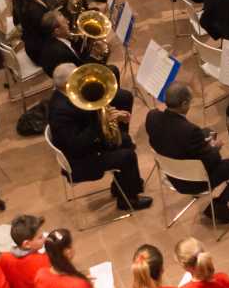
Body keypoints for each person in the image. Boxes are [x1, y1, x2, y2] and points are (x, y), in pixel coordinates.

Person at [145, 83, 229, 224]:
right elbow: (214, 161)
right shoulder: (189, 131)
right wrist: (214, 148)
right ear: (184, 103)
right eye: (190, 102)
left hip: (171, 175)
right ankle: (219, 206)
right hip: (194, 182)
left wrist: (203, 145)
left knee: (206, 131)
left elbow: (167, 140)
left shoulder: (152, 116)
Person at [47, 63, 151, 210]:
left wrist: (112, 116)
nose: (82, 80)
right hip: (79, 161)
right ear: (66, 84)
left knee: (125, 140)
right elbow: (76, 145)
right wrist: (101, 124)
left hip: (86, 146)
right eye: (78, 79)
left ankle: (123, 185)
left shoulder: (70, 96)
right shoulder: (60, 111)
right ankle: (128, 201)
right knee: (127, 156)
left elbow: (87, 118)